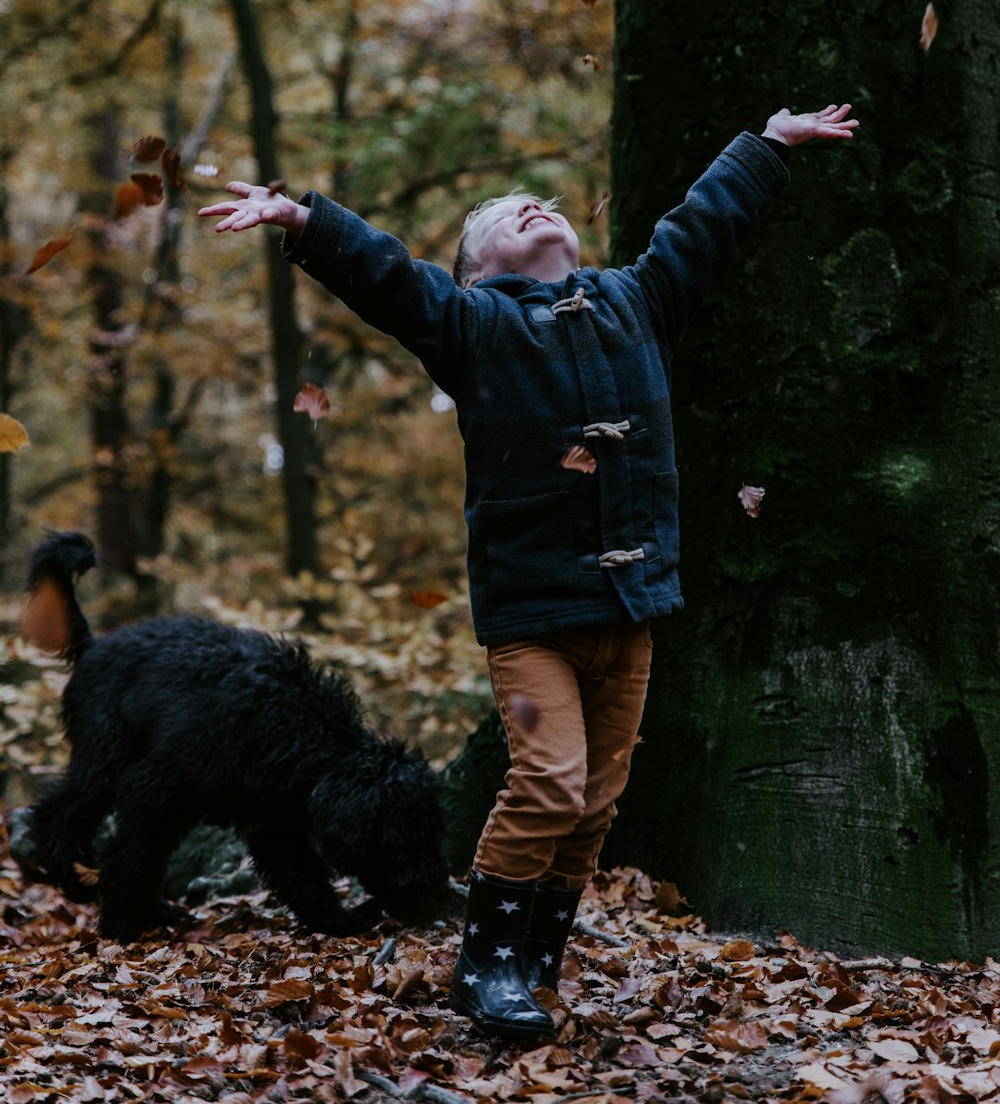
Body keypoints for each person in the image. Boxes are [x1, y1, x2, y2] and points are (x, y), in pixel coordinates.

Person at [199, 103, 857, 1041]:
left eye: (544, 202)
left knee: (592, 808)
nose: (536, 209)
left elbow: (702, 223)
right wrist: (306, 221)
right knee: (547, 783)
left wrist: (767, 144)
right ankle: (485, 967)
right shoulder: (471, 327)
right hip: (534, 618)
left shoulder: (637, 298)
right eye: (508, 216)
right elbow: (388, 279)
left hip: (630, 609)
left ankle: (535, 963)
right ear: (478, 270)